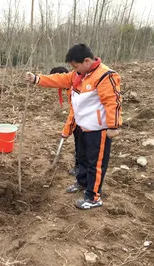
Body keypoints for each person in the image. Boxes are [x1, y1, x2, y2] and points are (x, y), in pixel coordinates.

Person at [26, 44, 122, 210]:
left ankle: (93, 197)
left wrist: (113, 126)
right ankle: (82, 182)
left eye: (76, 66)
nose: (74, 70)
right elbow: (59, 79)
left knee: (95, 164)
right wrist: (37, 79)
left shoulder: (105, 76)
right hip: (82, 127)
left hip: (98, 130)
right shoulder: (79, 75)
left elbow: (112, 101)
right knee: (82, 158)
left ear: (86, 61)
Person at [49, 66, 81, 176]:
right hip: (80, 120)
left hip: (84, 122)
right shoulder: (69, 87)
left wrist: (67, 130)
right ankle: (79, 167)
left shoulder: (74, 88)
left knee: (81, 146)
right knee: (79, 145)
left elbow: (75, 112)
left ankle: (80, 169)